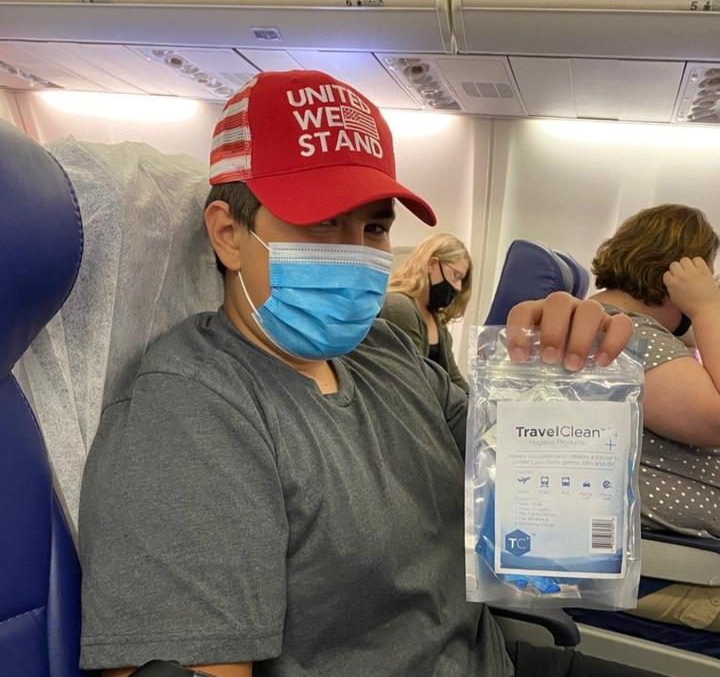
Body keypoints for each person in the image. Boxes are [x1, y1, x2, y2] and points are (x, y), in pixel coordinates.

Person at [79, 70, 647, 677]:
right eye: (322, 222)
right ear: (229, 235)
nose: (356, 251)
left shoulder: (386, 349)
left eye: (374, 227)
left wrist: (554, 382)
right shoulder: (192, 413)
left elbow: (514, 490)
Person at [590, 204, 720, 632]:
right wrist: (705, 309)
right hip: (676, 568)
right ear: (672, 279)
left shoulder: (620, 327)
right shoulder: (633, 336)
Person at [380, 233, 471, 392]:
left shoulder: (437, 320)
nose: (458, 287)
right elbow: (414, 378)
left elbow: (453, 377)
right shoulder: (399, 306)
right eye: (456, 276)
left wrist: (479, 406)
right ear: (432, 264)